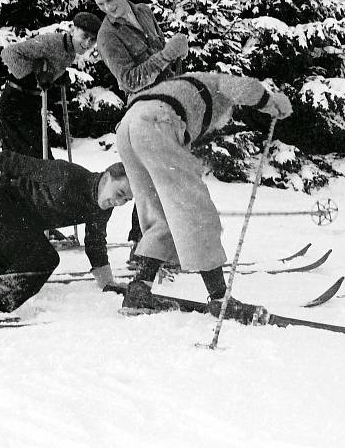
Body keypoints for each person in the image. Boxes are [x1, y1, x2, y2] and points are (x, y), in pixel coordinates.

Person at [114, 72, 292, 322]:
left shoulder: (183, 86)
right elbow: (241, 87)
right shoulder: (215, 82)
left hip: (127, 126)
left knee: (160, 213)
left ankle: (138, 292)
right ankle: (221, 300)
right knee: (195, 210)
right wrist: (270, 102)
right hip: (157, 121)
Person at [0, 143, 133, 316]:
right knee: (44, 260)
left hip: (16, 226)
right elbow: (14, 162)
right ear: (107, 178)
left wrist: (108, 284)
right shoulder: (67, 175)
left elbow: (95, 243)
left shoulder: (102, 208)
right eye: (120, 192)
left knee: (14, 280)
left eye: (126, 199)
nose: (120, 202)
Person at [87, 0, 188, 253]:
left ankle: (164, 245)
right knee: (151, 178)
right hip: (143, 109)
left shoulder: (143, 12)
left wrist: (175, 55)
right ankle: (141, 246)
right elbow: (129, 80)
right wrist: (167, 54)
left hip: (169, 103)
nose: (108, 8)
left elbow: (161, 52)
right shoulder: (107, 37)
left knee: (167, 176)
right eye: (100, 5)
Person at [0, 12, 101, 166]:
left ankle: (21, 189)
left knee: (31, 158)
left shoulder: (70, 52)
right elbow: (9, 54)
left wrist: (57, 77)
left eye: (92, 40)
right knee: (28, 158)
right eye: (84, 36)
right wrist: (35, 74)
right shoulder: (51, 42)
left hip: (30, 105)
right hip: (15, 102)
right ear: (72, 30)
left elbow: (47, 66)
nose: (87, 43)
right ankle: (10, 190)